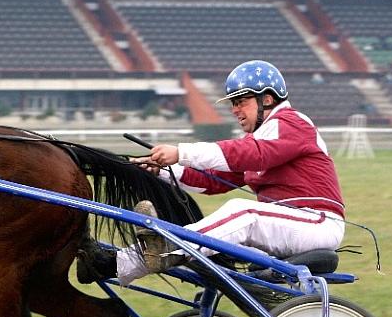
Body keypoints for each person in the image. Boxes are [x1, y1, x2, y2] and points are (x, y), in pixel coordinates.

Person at [78, 60, 345, 285]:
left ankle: (155, 253)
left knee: (243, 212)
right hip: (289, 227)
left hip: (317, 223)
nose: (234, 110)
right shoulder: (263, 136)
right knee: (222, 242)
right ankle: (121, 261)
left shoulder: (291, 122)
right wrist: (163, 170)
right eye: (233, 103)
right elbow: (213, 180)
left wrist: (181, 152)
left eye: (241, 101)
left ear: (267, 99)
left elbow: (248, 153)